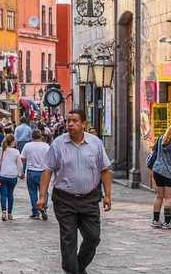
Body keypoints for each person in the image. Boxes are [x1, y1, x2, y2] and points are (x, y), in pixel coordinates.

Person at [38, 109, 113, 274]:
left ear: (84, 123)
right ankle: (73, 270)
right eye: (68, 121)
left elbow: (105, 170)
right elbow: (47, 170)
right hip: (64, 200)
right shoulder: (58, 143)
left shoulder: (95, 143)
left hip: (89, 199)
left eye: (75, 121)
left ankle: (77, 268)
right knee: (68, 239)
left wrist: (107, 195)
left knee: (93, 237)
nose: (70, 124)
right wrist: (42, 196)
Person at [150, 123, 171, 229]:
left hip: (157, 171)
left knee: (159, 196)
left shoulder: (161, 139)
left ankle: (155, 221)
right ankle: (167, 223)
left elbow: (154, 152)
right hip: (169, 173)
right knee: (169, 198)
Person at [21, 129, 51, 221]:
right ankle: (43, 207)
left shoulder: (28, 145)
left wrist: (21, 170)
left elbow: (22, 158)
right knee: (44, 191)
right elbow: (50, 158)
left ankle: (35, 212)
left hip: (31, 171)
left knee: (32, 192)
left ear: (32, 137)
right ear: (41, 136)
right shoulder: (46, 146)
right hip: (43, 172)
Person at [0, 133, 22, 221]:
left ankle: (3, 212)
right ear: (13, 142)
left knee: (3, 194)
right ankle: (10, 213)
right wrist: (20, 173)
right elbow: (19, 165)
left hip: (2, 174)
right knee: (10, 194)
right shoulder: (16, 151)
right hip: (13, 175)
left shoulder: (0, 150)